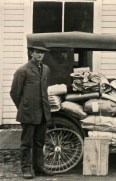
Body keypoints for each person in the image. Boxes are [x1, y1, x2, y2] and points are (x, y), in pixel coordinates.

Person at [10, 41, 54, 179]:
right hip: (28, 112)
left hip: (42, 113)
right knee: (26, 143)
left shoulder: (46, 69)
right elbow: (15, 93)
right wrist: (24, 107)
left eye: (42, 52)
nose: (40, 54)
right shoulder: (22, 70)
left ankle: (39, 167)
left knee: (39, 141)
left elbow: (44, 90)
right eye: (37, 52)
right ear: (31, 53)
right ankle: (26, 169)